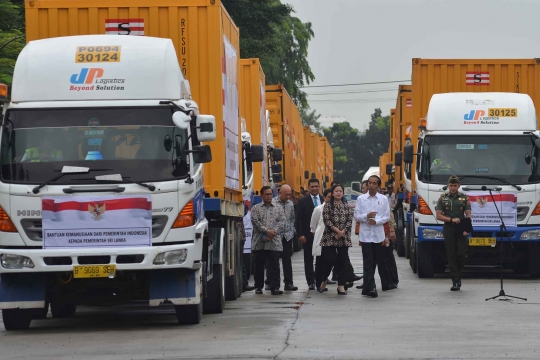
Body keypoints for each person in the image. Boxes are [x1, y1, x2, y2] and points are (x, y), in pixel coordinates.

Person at [355, 175, 393, 298]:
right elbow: (357, 216)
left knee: (377, 261)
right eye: (369, 183)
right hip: (365, 235)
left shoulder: (383, 199)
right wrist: (367, 216)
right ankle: (371, 287)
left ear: (378, 185)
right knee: (368, 261)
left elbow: (386, 217)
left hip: (378, 235)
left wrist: (376, 221)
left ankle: (368, 286)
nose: (371, 185)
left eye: (374, 183)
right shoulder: (361, 199)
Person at [435, 175, 471, 291]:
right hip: (449, 227)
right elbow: (439, 215)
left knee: (461, 254)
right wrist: (450, 220)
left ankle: (458, 274)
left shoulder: (464, 198)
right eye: (451, 186)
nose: (453, 188)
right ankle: (455, 280)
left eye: (455, 186)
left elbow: (468, 215)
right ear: (448, 185)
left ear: (459, 186)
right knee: (451, 254)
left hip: (461, 227)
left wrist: (467, 229)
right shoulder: (443, 198)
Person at [251, 186, 286, 295]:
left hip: (274, 241)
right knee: (259, 265)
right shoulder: (256, 208)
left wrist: (273, 232)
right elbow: (255, 222)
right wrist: (266, 231)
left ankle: (275, 287)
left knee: (274, 265)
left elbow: (282, 221)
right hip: (259, 241)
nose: (269, 196)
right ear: (261, 195)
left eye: (270, 194)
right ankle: (258, 286)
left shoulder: (278, 208)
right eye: (266, 194)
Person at [319, 184, 353, 295]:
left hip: (343, 238)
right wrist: (337, 231)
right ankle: (324, 280)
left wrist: (342, 232)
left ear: (343, 193)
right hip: (330, 238)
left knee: (342, 262)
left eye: (340, 191)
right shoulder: (327, 206)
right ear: (332, 193)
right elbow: (327, 221)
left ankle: (341, 285)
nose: (338, 193)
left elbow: (349, 221)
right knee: (329, 260)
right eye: (336, 191)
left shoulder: (347, 206)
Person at [296, 178, 325, 290]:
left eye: (316, 186)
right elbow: (299, 219)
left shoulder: (324, 199)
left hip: (321, 235)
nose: (314, 188)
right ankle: (310, 282)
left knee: (321, 259)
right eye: (312, 187)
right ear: (308, 188)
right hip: (308, 235)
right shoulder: (303, 201)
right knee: (308, 259)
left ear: (319, 187)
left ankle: (319, 281)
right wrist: (301, 235)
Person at [271, 184, 298, 291]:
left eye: (289, 195)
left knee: (287, 260)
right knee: (273, 260)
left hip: (287, 236)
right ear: (280, 193)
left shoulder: (290, 204)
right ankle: (271, 282)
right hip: (275, 236)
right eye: (286, 194)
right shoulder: (272, 203)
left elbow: (292, 219)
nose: (288, 196)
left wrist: (291, 230)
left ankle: (288, 283)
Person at [310, 188, 333, 291]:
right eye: (328, 197)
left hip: (333, 240)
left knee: (330, 261)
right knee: (320, 262)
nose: (330, 199)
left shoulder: (336, 209)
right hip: (321, 240)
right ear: (324, 198)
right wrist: (318, 237)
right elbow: (313, 226)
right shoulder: (319, 209)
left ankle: (324, 280)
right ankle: (319, 283)